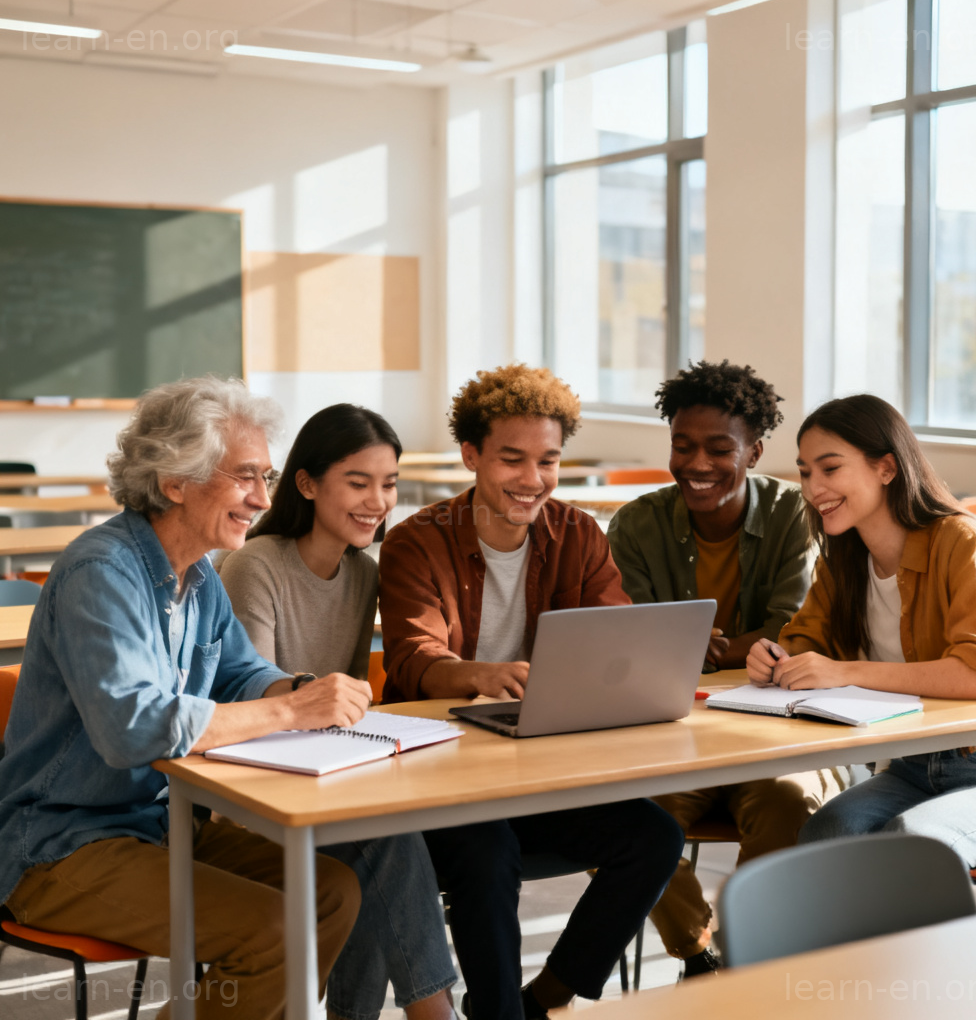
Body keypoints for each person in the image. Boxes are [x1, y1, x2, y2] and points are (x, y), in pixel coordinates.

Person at [0, 377, 369, 1020]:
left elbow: (241, 673)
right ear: (175, 480)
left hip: (158, 826)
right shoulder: (100, 572)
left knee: (332, 891)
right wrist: (290, 712)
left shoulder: (197, 574)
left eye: (266, 476)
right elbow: (133, 728)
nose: (263, 498)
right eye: (245, 476)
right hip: (61, 842)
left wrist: (302, 690)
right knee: (273, 931)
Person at [378, 364, 684, 1020]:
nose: (533, 479)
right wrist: (478, 675)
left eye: (548, 460)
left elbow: (615, 643)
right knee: (487, 854)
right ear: (471, 456)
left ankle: (544, 998)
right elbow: (411, 657)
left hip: (540, 769)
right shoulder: (415, 541)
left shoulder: (579, 535)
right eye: (512, 459)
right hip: (444, 779)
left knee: (653, 837)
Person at [607, 360, 847, 976]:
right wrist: (736, 645)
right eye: (682, 445)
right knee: (612, 816)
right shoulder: (636, 524)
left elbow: (792, 631)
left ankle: (752, 958)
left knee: (789, 801)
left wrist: (701, 645)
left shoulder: (795, 513)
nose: (697, 463)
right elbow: (636, 638)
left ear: (755, 452)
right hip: (675, 730)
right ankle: (701, 953)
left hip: (782, 728)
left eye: (719, 449)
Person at [220, 403, 457, 1020]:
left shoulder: (364, 574)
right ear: (306, 483)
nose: (378, 501)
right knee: (383, 840)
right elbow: (247, 700)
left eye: (389, 484)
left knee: (382, 834)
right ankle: (434, 1011)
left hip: (325, 777)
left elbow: (341, 706)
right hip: (251, 789)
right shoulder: (255, 566)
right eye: (358, 483)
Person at [747, 393, 976, 864]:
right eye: (805, 472)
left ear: (887, 469)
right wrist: (775, 659)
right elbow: (806, 642)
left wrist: (843, 672)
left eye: (830, 468)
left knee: (909, 844)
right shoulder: (843, 559)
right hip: (911, 766)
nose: (813, 488)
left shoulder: (962, 541)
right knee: (824, 834)